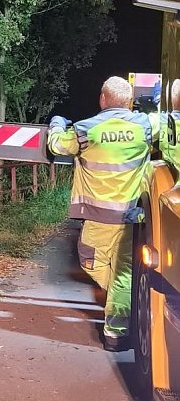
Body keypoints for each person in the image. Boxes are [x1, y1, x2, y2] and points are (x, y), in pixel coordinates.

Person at [48, 76, 157, 352]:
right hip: (132, 218)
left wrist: (57, 122)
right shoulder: (145, 126)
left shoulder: (86, 129)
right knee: (123, 274)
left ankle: (116, 333)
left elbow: (56, 145)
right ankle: (127, 304)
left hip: (97, 217)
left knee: (91, 263)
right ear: (130, 102)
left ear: (102, 99)